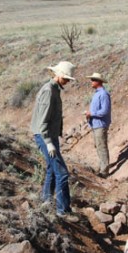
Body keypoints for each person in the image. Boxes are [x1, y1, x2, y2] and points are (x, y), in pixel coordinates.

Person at [31, 61, 78, 223]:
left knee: (52, 168)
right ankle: (62, 210)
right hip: (45, 136)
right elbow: (43, 121)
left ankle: (46, 199)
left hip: (50, 135)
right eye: (65, 78)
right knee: (62, 173)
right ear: (57, 75)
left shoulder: (55, 90)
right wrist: (48, 142)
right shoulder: (49, 91)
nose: (67, 81)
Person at [84, 72, 111, 178]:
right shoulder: (97, 94)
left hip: (100, 124)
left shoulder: (103, 94)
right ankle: (102, 167)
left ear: (99, 81)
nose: (91, 82)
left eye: (93, 80)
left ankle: (104, 171)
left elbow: (105, 111)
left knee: (101, 146)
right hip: (96, 124)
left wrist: (91, 114)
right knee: (99, 146)